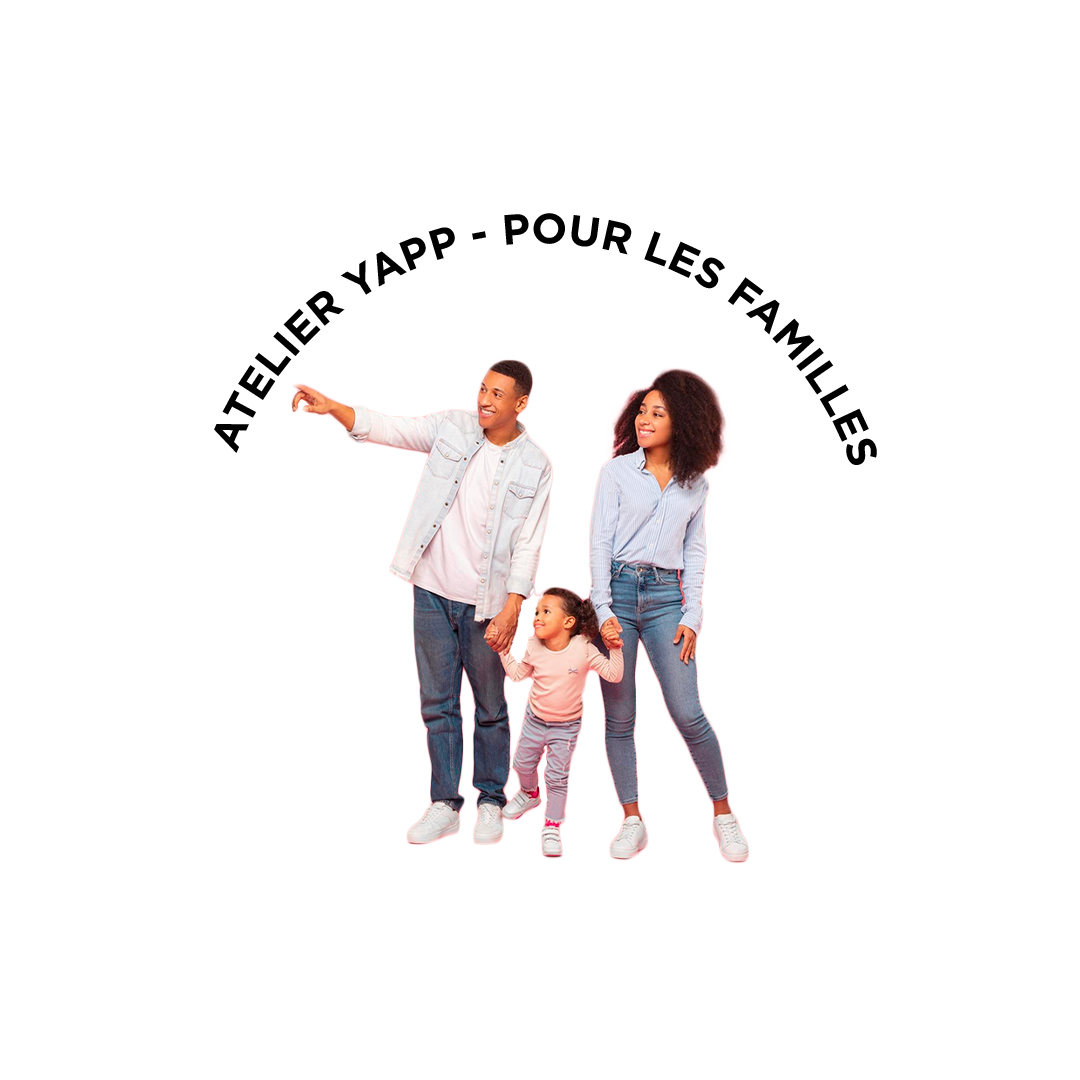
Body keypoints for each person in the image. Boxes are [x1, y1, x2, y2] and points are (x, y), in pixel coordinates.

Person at [291, 360, 552, 846]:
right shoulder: (452, 427)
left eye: (497, 394)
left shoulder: (536, 464)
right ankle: (444, 804)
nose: (484, 400)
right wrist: (332, 408)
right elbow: (391, 428)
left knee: (491, 707)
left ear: (520, 403)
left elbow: (530, 542)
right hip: (431, 591)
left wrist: (514, 606)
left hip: (487, 604)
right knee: (438, 704)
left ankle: (490, 801)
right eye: (482, 389)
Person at [590, 368, 750, 862]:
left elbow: (695, 552)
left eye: (657, 413)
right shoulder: (616, 472)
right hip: (617, 593)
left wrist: (693, 614)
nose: (645, 419)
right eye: (642, 410)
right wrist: (601, 609)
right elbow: (599, 543)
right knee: (620, 717)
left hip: (665, 599)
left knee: (688, 712)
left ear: (683, 422)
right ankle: (632, 821)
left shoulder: (695, 485)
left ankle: (725, 817)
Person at [499, 588, 624, 857]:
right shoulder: (533, 645)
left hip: (565, 728)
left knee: (557, 778)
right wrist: (503, 652)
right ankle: (530, 794)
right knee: (521, 763)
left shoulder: (583, 648)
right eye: (537, 612)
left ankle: (552, 827)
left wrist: (615, 648)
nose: (537, 617)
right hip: (535, 720)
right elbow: (518, 675)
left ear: (568, 622)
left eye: (546, 611)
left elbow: (613, 675)